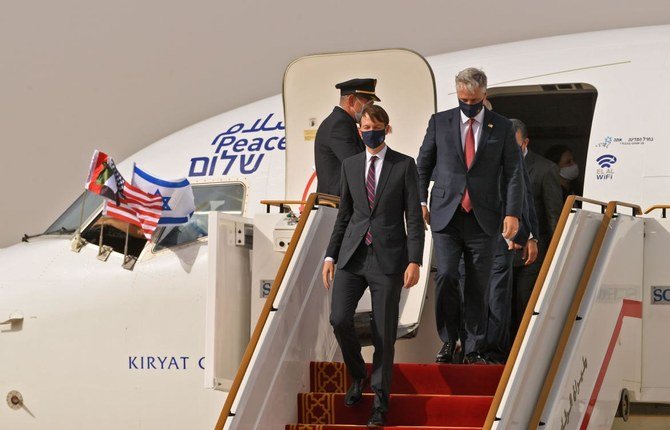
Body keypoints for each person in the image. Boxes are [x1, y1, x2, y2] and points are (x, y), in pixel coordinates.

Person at [322, 104, 424, 427]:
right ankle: (357, 375)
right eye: (365, 126)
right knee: (339, 319)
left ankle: (380, 405)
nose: (370, 131)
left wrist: (414, 260)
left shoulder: (404, 165)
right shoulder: (351, 166)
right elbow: (344, 216)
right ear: (359, 129)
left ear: (386, 129)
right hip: (353, 255)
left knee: (383, 335)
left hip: (389, 259)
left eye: (375, 126)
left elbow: (414, 217)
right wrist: (330, 255)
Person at [416, 67, 524, 365]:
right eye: (463, 98)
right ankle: (450, 339)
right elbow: (423, 164)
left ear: (483, 95)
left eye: (474, 99)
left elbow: (514, 173)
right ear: (457, 93)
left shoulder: (500, 127)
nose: (468, 104)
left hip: (484, 216)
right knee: (448, 275)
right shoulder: (440, 122)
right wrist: (419, 201)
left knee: (478, 283)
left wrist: (513, 213)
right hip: (446, 214)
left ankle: (474, 347)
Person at [509, 119, 563, 333]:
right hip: (501, 252)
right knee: (501, 308)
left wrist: (554, 253)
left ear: (525, 142)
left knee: (524, 305)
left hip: (532, 254)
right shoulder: (495, 166)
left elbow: (553, 215)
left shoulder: (545, 169)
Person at [314, 78, 380, 196]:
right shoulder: (340, 124)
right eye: (368, 104)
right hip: (338, 204)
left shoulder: (342, 122)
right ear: (351, 100)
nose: (370, 110)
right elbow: (357, 163)